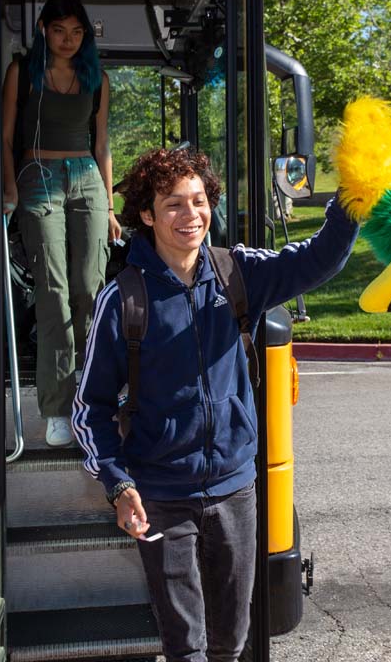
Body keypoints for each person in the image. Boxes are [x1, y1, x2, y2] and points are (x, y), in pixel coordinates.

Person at [72, 147, 357, 662]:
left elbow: (318, 259)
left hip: (235, 489)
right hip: (161, 495)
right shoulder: (125, 299)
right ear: (146, 215)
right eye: (174, 204)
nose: (191, 216)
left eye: (199, 201)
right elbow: (89, 407)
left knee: (231, 641)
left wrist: (352, 198)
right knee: (186, 647)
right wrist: (120, 484)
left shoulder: (237, 273)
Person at [2, 0, 122, 447]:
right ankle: (55, 408)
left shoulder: (97, 78)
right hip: (38, 176)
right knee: (52, 293)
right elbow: (5, 135)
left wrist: (109, 206)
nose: (67, 40)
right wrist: (10, 187)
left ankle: (93, 402)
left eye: (76, 32)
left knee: (90, 290)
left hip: (86, 178)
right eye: (58, 31)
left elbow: (103, 143)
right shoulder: (24, 72)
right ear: (42, 30)